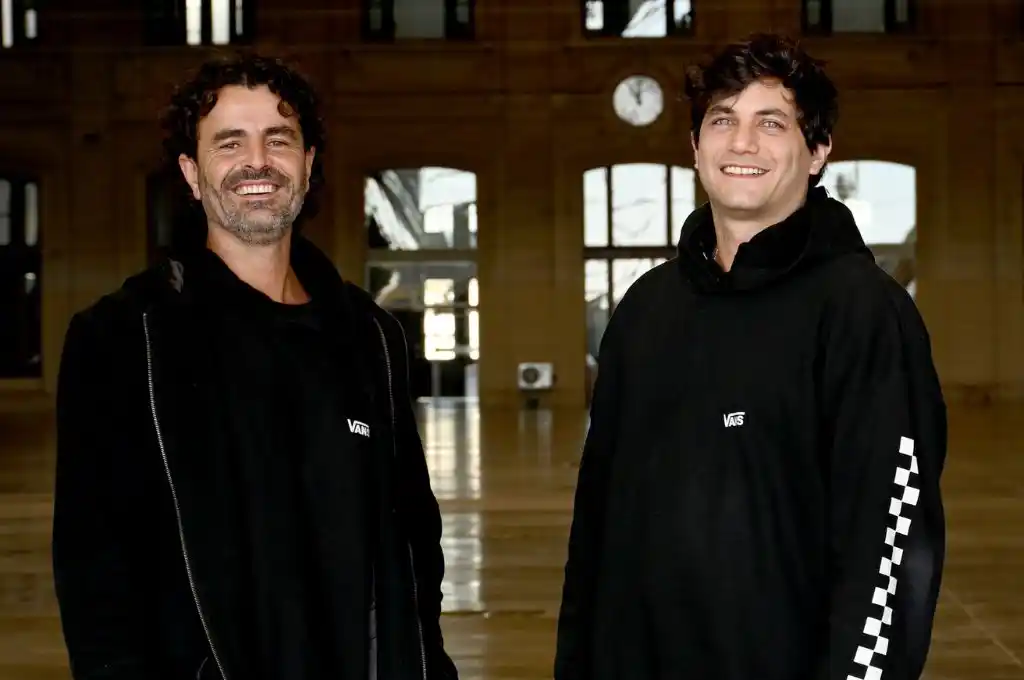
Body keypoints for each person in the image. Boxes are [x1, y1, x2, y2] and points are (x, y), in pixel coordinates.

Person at [52, 53, 458, 680]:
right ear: (191, 173)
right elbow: (94, 570)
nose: (258, 161)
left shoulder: (371, 337)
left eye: (279, 139)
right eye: (229, 143)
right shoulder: (123, 337)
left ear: (308, 164)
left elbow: (415, 544)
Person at [554, 33, 947, 680]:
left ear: (817, 151)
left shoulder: (861, 311)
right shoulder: (646, 309)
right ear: (695, 147)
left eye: (771, 123)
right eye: (722, 120)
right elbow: (593, 528)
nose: (742, 143)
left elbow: (891, 551)